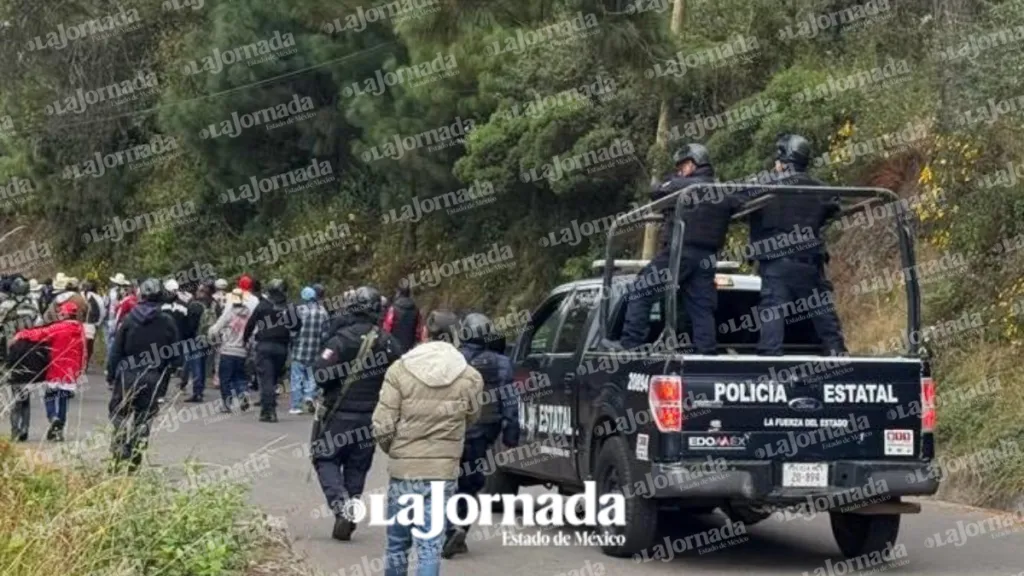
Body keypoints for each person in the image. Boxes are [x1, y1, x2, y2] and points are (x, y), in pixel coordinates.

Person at [371, 309, 483, 576]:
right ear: (456, 335)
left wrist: (395, 450)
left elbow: (382, 424)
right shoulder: (470, 376)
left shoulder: (399, 370)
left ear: (424, 333)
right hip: (442, 473)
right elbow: (472, 416)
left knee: (397, 544)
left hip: (404, 471)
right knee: (430, 546)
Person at [619, 144, 741, 353]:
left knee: (641, 289)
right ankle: (706, 354)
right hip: (708, 258)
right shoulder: (723, 191)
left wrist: (673, 181)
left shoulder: (684, 186)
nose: (680, 171)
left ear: (693, 164)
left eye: (682, 166)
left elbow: (656, 191)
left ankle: (630, 344)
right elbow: (739, 204)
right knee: (701, 308)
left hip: (680, 252)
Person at [311, 285, 404, 541]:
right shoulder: (389, 343)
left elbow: (320, 374)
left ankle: (341, 506)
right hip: (371, 415)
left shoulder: (340, 339)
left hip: (339, 413)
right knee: (357, 466)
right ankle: (349, 510)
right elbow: (400, 377)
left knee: (325, 458)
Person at [747, 133, 847, 356]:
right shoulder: (821, 190)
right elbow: (834, 209)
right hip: (810, 263)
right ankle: (837, 354)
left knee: (773, 312)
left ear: (784, 160)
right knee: (823, 315)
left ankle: (770, 358)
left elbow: (739, 201)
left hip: (778, 264)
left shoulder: (766, 186)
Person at [443, 312, 520, 558]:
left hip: (449, 431)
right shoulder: (501, 363)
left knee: (444, 481)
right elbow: (510, 400)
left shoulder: (449, 358)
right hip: (482, 433)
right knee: (471, 483)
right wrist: (511, 432)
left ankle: (446, 530)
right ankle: (459, 528)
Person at [107, 278, 180, 471]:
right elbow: (176, 354)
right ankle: (134, 460)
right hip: (152, 377)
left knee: (119, 414)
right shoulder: (167, 322)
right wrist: (171, 369)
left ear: (141, 295)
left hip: (128, 374)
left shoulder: (129, 319)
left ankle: (118, 453)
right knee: (144, 418)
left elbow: (116, 351)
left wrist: (111, 373)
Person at [13, 301, 86, 442]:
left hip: (56, 369)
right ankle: (59, 430)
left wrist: (21, 334)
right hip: (71, 371)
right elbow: (84, 352)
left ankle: (53, 417)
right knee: (64, 400)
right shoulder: (80, 329)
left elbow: (39, 334)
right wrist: (81, 370)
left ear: (64, 314)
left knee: (49, 396)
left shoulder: (58, 328)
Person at [243, 278, 297, 422]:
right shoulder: (289, 307)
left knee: (266, 379)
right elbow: (297, 325)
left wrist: (245, 339)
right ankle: (268, 407)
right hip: (282, 348)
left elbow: (250, 324)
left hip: (265, 346)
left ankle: (269, 410)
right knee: (272, 379)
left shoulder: (263, 305)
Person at [2, 277, 43, 441]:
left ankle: (15, 429)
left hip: (11, 352)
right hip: (29, 351)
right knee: (26, 391)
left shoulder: (5, 306)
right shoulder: (32, 307)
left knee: (14, 392)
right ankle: (25, 428)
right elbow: (40, 327)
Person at [208, 286, 258, 413]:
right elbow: (254, 333)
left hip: (227, 351)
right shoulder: (249, 314)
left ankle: (227, 404)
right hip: (243, 352)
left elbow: (214, 329)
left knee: (225, 379)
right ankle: (243, 395)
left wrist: (212, 336)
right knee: (239, 376)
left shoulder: (229, 313)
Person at [289, 286, 328, 415]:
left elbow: (293, 330)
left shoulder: (299, 310)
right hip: (314, 350)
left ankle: (296, 406)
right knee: (311, 377)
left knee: (296, 378)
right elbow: (325, 333)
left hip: (299, 349)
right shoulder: (322, 312)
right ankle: (309, 396)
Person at [183, 283, 212, 403]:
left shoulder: (195, 306)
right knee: (202, 364)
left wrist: (186, 337)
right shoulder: (210, 304)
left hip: (196, 339)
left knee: (196, 366)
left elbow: (191, 325)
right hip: (207, 338)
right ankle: (201, 388)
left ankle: (197, 392)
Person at [382, 284, 423, 352]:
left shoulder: (394, 308)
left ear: (398, 293)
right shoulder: (416, 309)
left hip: (394, 345)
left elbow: (387, 326)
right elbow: (418, 330)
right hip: (409, 345)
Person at [81, 279, 106, 368]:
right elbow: (103, 312)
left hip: (83, 323)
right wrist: (98, 323)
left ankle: (81, 363)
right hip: (93, 324)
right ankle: (85, 363)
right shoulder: (98, 298)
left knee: (81, 344)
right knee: (89, 345)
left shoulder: (81, 295)